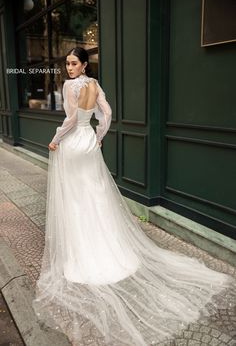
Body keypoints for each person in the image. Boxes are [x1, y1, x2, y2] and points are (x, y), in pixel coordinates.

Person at [32, 47, 236, 346]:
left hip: (75, 144)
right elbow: (107, 114)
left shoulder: (69, 86)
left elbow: (72, 118)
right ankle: (108, 247)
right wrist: (99, 138)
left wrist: (54, 139)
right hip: (89, 143)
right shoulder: (95, 85)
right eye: (67, 64)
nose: (69, 68)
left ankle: (82, 253)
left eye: (73, 63)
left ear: (84, 64)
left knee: (78, 198)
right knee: (95, 194)